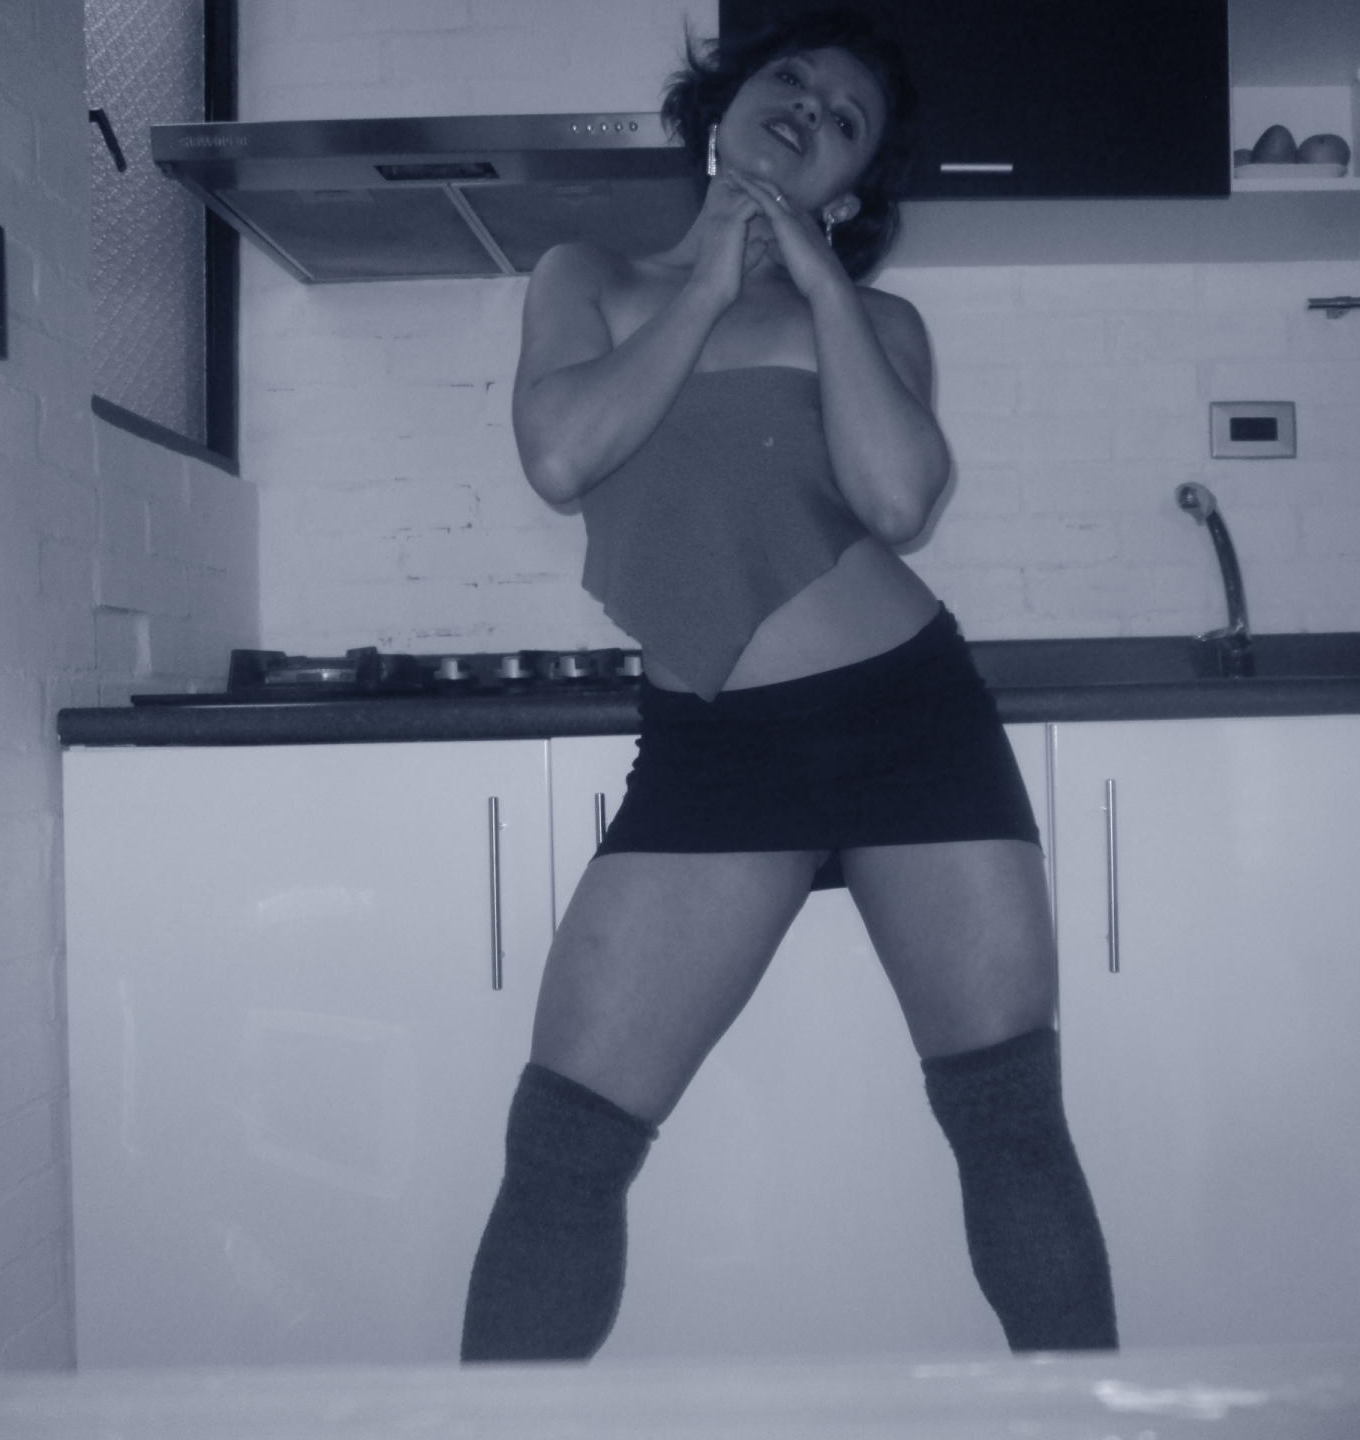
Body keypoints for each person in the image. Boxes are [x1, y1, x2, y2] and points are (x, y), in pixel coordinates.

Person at [460, 8, 1116, 1362]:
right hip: (715, 753)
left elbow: (901, 499)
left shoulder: (877, 321)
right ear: (725, 108)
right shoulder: (589, 277)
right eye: (792, 80)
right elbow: (560, 455)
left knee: (1008, 1124)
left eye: (846, 117)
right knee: (565, 1145)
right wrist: (708, 280)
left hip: (911, 725)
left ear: (854, 187)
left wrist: (813, 280)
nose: (811, 106)